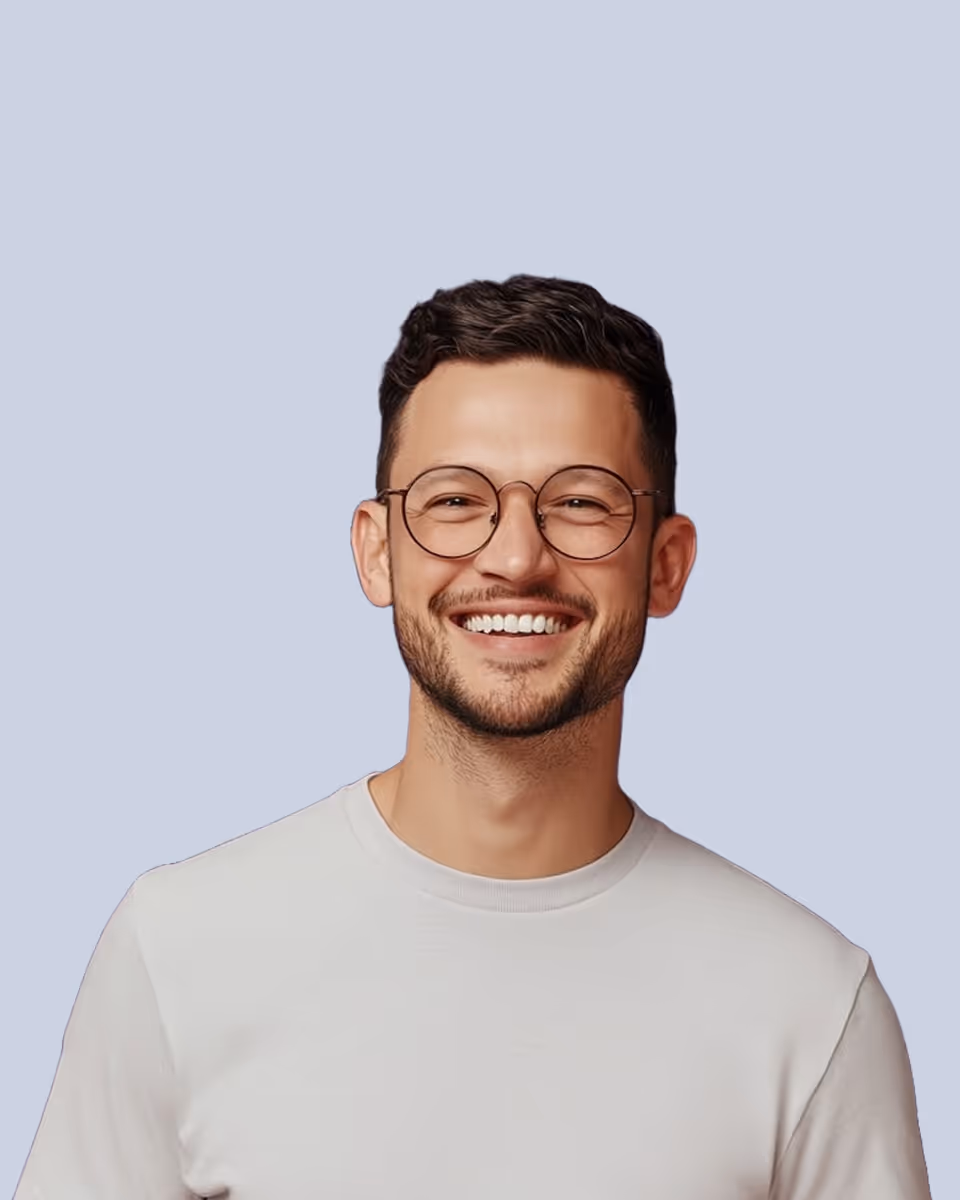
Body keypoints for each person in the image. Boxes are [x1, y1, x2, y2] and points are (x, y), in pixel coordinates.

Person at [15, 275, 931, 1198]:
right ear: (377, 551)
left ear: (665, 564)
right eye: (454, 501)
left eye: (581, 502)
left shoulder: (809, 1007)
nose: (517, 556)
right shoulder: (180, 951)